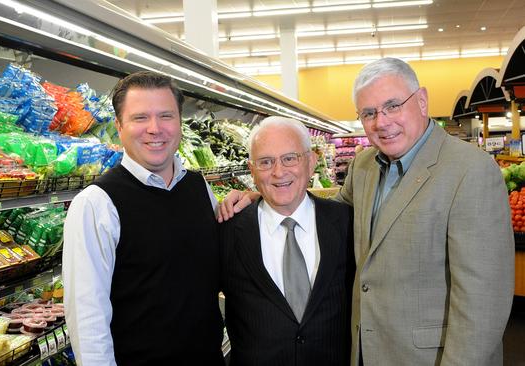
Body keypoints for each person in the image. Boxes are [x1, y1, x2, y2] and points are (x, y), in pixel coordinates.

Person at [219, 57, 515, 366]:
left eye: (392, 106)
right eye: (369, 113)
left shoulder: (470, 171)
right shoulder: (366, 165)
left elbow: (483, 305)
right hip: (366, 353)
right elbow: (323, 215)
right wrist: (267, 196)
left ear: (423, 101)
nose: (381, 122)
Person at [62, 71, 224, 366]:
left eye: (166, 116)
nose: (155, 128)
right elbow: (87, 317)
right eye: (140, 118)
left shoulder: (199, 187)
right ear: (119, 127)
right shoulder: (97, 204)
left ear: (179, 123)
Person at [220, 116, 354, 366]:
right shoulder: (227, 230)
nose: (279, 172)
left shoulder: (347, 223)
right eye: (266, 162)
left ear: (312, 161)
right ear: (251, 170)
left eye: (290, 158)